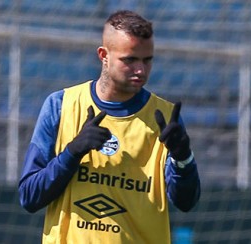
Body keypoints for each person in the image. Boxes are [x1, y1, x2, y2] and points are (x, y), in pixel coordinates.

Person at [18, 10, 200, 244]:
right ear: (104, 55)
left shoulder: (164, 118)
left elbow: (186, 203)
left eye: (147, 60)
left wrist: (183, 158)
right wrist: (72, 152)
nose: (141, 71)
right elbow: (29, 197)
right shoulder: (61, 105)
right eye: (130, 60)